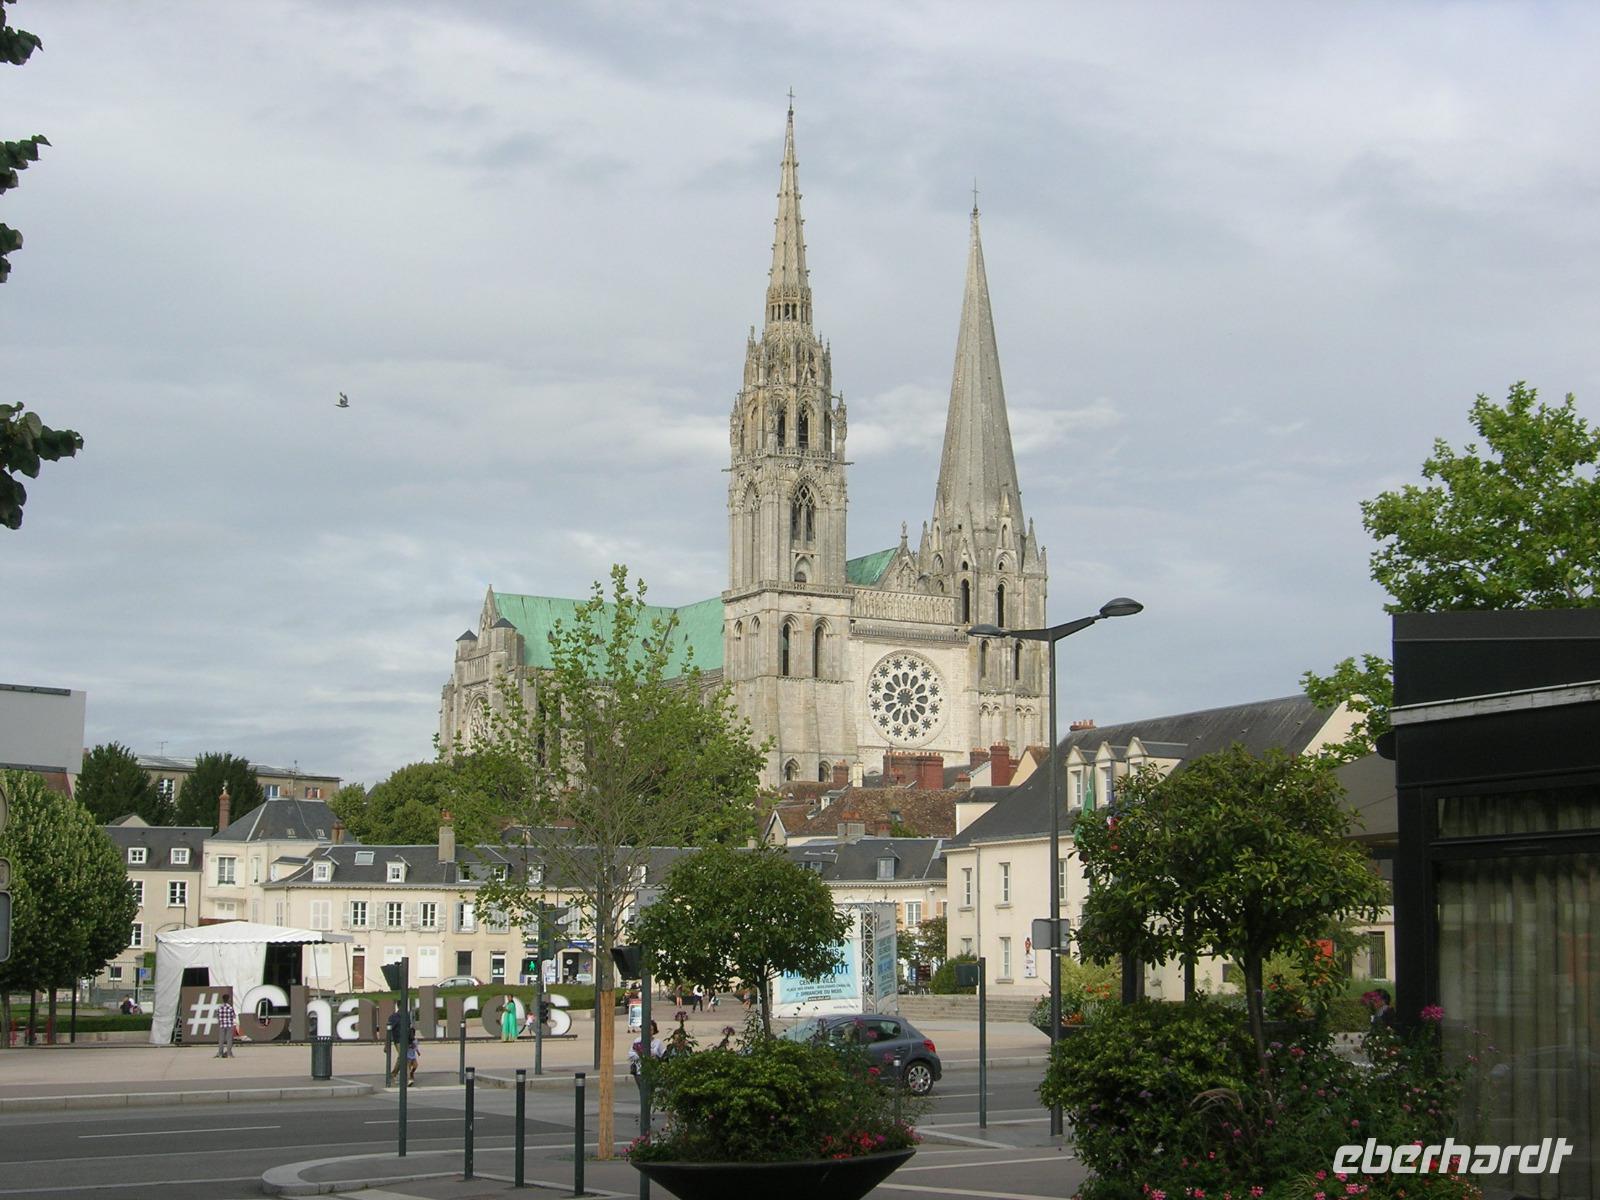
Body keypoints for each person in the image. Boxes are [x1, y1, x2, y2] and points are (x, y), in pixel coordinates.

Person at [385, 1008, 405, 1084]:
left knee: (405, 1058)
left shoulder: (406, 1016)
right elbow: (389, 1031)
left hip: (406, 1040)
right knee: (402, 1056)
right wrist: (387, 1044)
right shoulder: (394, 1017)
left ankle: (407, 1076)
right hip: (398, 1040)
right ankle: (393, 1074)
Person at [215, 994, 237, 1058]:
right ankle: (229, 1054)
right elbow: (234, 1016)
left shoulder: (219, 1007)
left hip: (222, 1025)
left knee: (221, 1039)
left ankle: (220, 1053)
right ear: (228, 999)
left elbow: (217, 1015)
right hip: (229, 1024)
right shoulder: (230, 1007)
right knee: (229, 1039)